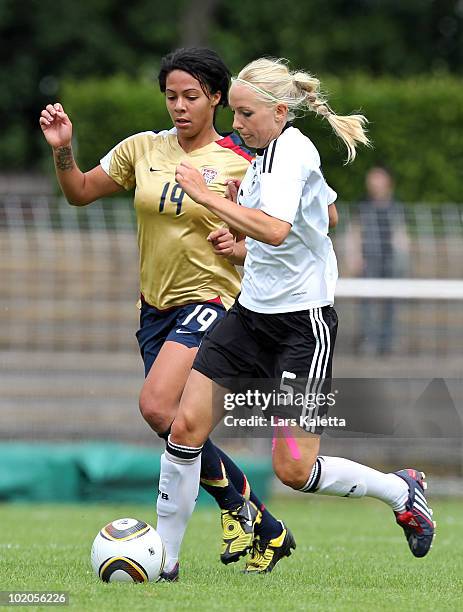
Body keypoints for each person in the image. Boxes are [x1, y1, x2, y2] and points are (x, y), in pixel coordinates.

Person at [156, 57, 435, 576]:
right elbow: (323, 216)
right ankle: (164, 561)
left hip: (302, 328)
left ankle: (402, 490)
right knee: (185, 425)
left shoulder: (294, 150)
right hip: (249, 315)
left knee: (294, 468)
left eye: (245, 114)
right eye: (234, 113)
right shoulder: (265, 156)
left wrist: (211, 200)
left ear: (280, 111)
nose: (236, 124)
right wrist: (243, 242)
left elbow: (279, 231)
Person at [39, 47, 291, 580]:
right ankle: (257, 520)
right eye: (171, 96)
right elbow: (80, 191)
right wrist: (64, 151)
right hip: (155, 311)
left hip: (215, 304)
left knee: (155, 402)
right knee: (169, 420)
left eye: (191, 97)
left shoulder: (245, 158)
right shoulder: (142, 149)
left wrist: (241, 240)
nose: (180, 106)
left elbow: (305, 223)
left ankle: (201, 540)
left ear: (217, 98)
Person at [356, 166, 408, 355]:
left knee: (391, 303)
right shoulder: (363, 205)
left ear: (388, 182)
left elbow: (401, 235)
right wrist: (356, 257)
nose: (374, 182)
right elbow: (355, 232)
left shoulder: (396, 206)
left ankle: (388, 341)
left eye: (378, 178)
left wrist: (403, 259)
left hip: (390, 260)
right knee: (367, 303)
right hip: (369, 260)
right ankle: (369, 340)